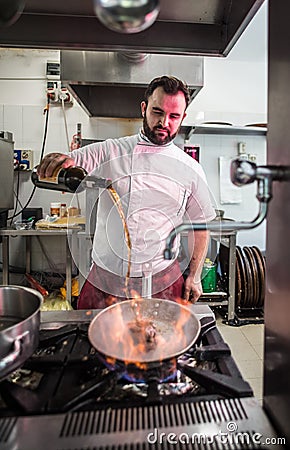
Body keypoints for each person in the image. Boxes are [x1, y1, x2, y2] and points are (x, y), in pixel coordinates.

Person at [37, 75, 216, 309]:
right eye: (157, 112)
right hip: (106, 276)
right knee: (92, 341)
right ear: (144, 109)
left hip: (162, 278)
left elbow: (200, 226)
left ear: (183, 118)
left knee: (160, 342)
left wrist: (194, 275)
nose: (164, 122)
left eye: (174, 116)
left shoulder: (191, 169)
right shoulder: (111, 151)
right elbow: (71, 161)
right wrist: (58, 162)